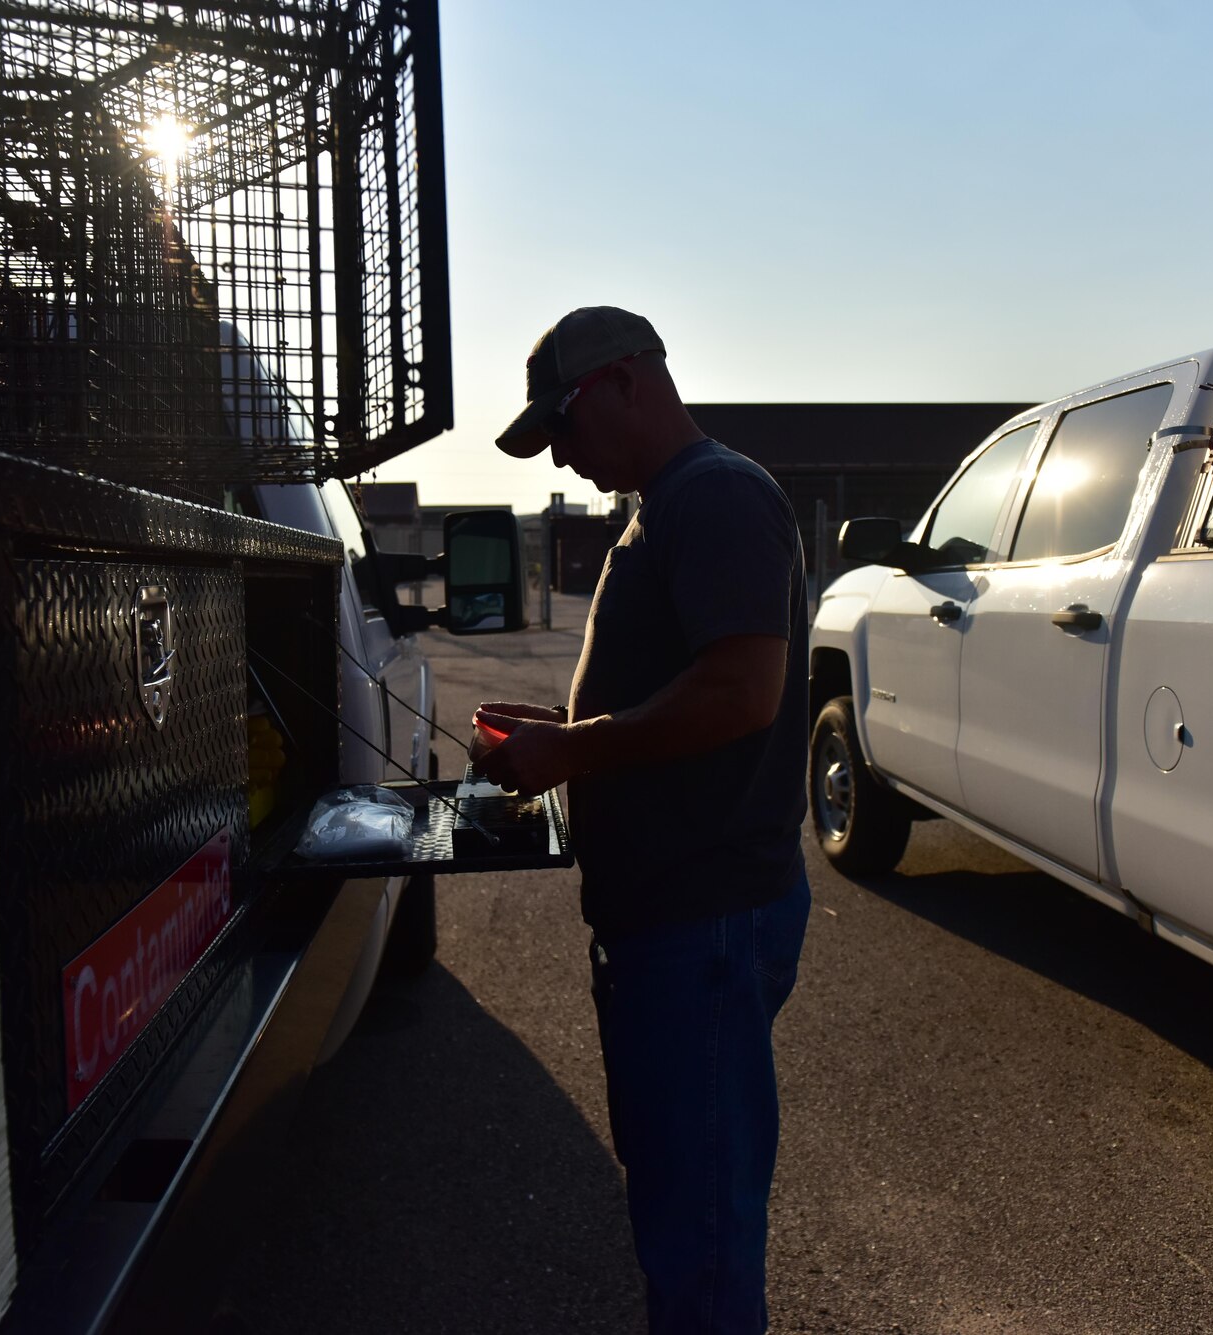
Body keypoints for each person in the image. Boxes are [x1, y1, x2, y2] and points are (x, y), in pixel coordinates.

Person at [474, 306, 811, 1334]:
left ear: (625, 380)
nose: (563, 457)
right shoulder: (664, 503)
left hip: (698, 922)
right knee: (678, 1203)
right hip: (669, 923)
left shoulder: (711, 497)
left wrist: (571, 750)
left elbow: (738, 694)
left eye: (565, 427)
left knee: (698, 1235)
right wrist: (566, 728)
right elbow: (683, 690)